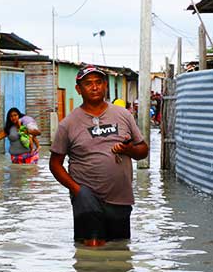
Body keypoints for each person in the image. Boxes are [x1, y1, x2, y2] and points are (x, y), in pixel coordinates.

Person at [50, 64, 149, 246]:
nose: (94, 87)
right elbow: (55, 164)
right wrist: (77, 190)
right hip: (86, 195)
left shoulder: (123, 115)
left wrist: (128, 150)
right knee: (92, 248)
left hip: (120, 196)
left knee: (120, 249)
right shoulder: (68, 124)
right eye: (88, 83)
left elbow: (143, 150)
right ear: (78, 89)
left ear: (105, 86)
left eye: (98, 82)